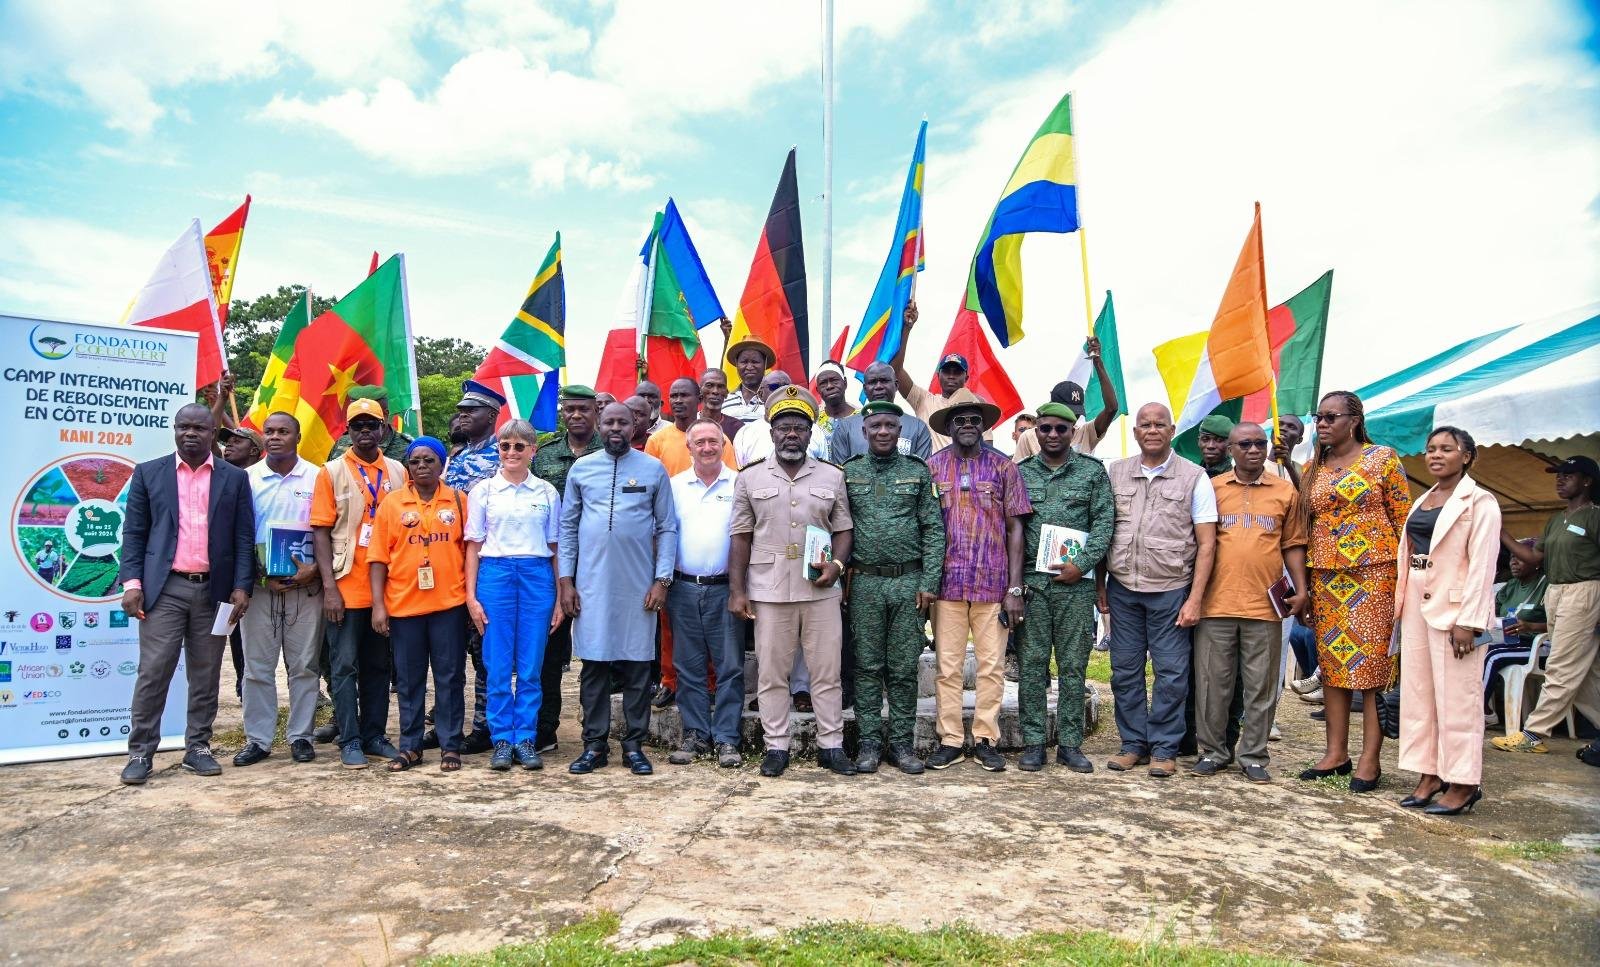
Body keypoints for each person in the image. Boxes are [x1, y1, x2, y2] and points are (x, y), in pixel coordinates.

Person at [116, 404, 255, 785]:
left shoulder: (233, 478)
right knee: (154, 670)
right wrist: (132, 584)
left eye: (199, 428)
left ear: (213, 433)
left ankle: (198, 747)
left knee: (207, 673)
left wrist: (243, 587)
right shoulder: (149, 473)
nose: (190, 434)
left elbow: (244, 537)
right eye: (183, 427)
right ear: (174, 430)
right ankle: (141, 752)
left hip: (215, 591)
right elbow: (134, 534)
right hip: (165, 590)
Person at [728, 385, 856, 777]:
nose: (791, 434)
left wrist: (837, 565)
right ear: (771, 433)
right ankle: (776, 745)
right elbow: (740, 536)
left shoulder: (832, 477)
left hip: (819, 590)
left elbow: (844, 529)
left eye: (799, 427)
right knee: (771, 673)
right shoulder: (749, 479)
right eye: (783, 427)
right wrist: (737, 591)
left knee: (825, 671)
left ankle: (831, 745)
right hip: (768, 589)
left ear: (809, 433)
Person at [1298, 390, 1411, 792]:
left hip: (1375, 574)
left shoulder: (1382, 459)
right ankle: (1336, 753)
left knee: (1370, 669)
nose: (1323, 423)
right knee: (1333, 667)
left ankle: (1370, 758)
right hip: (1326, 576)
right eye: (1319, 417)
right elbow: (1303, 524)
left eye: (1331, 417)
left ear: (1354, 420)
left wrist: (1406, 582)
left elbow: (1403, 522)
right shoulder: (1313, 466)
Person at [559, 402, 677, 776]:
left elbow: (667, 528)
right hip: (590, 587)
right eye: (608, 421)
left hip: (638, 588)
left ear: (633, 427)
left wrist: (662, 580)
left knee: (637, 669)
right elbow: (567, 528)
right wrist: (566, 582)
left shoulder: (652, 468)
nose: (615, 428)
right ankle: (594, 745)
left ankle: (633, 745)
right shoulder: (582, 468)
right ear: (598, 423)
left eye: (622, 422)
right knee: (594, 665)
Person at [1103, 402, 1218, 779]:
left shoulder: (1194, 477)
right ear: (1135, 432)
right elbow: (1103, 531)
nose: (1151, 430)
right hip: (1122, 589)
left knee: (1171, 673)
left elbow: (1207, 543)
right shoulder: (1115, 473)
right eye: (1144, 424)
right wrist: (1099, 586)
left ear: (1171, 431)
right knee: (1124, 671)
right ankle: (1133, 743)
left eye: (1159, 424)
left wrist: (1195, 599)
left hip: (1171, 591)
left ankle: (1165, 748)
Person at [1192, 422, 1309, 783]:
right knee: (1213, 685)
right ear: (1230, 449)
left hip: (1265, 605)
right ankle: (1212, 752)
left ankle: (1254, 754)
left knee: (1261, 686)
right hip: (1216, 603)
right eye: (1245, 444)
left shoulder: (1284, 491)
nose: (1254, 450)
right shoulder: (1211, 489)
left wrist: (1301, 589)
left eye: (1260, 443)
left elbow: (1292, 544)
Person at [924, 388, 1032, 772]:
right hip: (947, 584)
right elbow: (924, 527)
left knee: (992, 666)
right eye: (960, 420)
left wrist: (1015, 588)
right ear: (949, 427)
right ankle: (951, 739)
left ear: (984, 427)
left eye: (974, 420)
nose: (967, 426)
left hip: (993, 585)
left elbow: (1016, 528)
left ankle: (986, 738)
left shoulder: (1005, 468)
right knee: (947, 666)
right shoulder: (933, 467)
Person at [1394, 426, 1500, 814]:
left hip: (1455, 609)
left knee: (1458, 699)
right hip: (1417, 603)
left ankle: (1464, 781)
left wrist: (1469, 621)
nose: (1436, 455)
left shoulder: (1479, 502)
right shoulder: (1423, 499)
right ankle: (1429, 773)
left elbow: (1483, 567)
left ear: (1466, 456)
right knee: (1420, 695)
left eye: (1446, 449)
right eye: (1430, 449)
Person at [843, 400, 944, 774]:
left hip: (908, 583)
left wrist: (929, 581)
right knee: (867, 667)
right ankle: (869, 742)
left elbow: (934, 529)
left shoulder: (918, 473)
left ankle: (901, 743)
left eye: (890, 426)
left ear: (900, 432)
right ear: (865, 431)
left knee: (903, 668)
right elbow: (839, 528)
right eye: (876, 426)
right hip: (865, 583)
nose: (883, 431)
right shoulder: (849, 473)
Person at [1015, 402, 1113, 773]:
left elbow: (1104, 522)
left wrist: (1082, 565)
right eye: (1045, 429)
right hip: (1034, 587)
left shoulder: (1091, 473)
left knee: (1073, 667)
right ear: (1035, 432)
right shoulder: (1020, 473)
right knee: (1032, 666)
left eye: (1061, 428)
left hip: (1075, 588)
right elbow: (1012, 529)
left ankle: (1070, 744)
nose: (1053, 435)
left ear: (1073, 431)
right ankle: (1034, 742)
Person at [311, 398, 406, 770]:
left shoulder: (399, 471)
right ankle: (349, 739)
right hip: (346, 585)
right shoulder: (331, 472)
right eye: (358, 426)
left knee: (379, 666)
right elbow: (320, 532)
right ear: (347, 431)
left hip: (388, 588)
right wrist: (330, 588)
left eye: (372, 425)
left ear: (384, 429)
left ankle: (375, 734)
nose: (365, 431)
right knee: (344, 666)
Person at [465, 419, 563, 771]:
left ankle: (525, 737)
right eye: (505, 446)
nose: (511, 452)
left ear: (532, 450)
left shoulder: (547, 493)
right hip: (496, 575)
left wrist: (558, 596)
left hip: (537, 576)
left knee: (531, 664)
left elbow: (555, 546)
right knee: (497, 664)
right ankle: (501, 739)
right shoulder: (484, 492)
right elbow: (473, 546)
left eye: (519, 446)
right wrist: (471, 597)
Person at [368, 437, 470, 773]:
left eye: (429, 460)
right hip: (404, 607)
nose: (422, 466)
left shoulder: (458, 500)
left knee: (450, 677)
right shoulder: (392, 504)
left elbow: (471, 553)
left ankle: (450, 744)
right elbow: (378, 558)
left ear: (442, 465)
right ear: (408, 466)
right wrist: (379, 606)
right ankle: (410, 746)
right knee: (410, 680)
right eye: (415, 461)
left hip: (449, 605)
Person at [1492, 455, 1600, 754]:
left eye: (1568, 474)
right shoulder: (1556, 520)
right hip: (1556, 592)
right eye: (1557, 475)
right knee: (1585, 673)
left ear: (1587, 481)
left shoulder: (1595, 516)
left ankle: (1534, 733)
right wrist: (1502, 532)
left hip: (1585, 591)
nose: (1559, 479)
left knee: (1560, 665)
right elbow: (1534, 559)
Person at [235, 412, 323, 768]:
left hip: (307, 586)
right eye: (268, 432)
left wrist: (316, 570)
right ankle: (258, 739)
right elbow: (237, 533)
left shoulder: (318, 477)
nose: (274, 437)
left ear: (297, 437)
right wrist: (254, 577)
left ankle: (301, 735)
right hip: (260, 588)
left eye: (283, 431)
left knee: (304, 665)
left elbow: (328, 531)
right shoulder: (246, 479)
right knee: (257, 667)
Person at [666, 419, 745, 769]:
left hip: (726, 587)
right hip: (682, 587)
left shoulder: (740, 483)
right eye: (700, 442)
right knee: (689, 666)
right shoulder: (673, 486)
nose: (708, 447)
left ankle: (727, 738)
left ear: (723, 443)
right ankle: (696, 733)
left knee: (729, 666)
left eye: (714, 441)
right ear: (689, 447)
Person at [530, 384, 602, 754]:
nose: (575, 415)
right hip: (551, 565)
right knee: (549, 649)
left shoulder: (609, 453)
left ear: (596, 413)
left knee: (597, 651)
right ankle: (545, 730)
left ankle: (596, 730)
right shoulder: (544, 455)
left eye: (583, 409)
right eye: (569, 409)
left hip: (598, 565)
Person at [437, 378, 506, 754]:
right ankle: (447, 722)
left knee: (484, 655)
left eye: (470, 411)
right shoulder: (458, 457)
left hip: (485, 568)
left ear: (492, 415)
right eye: (460, 411)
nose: (461, 416)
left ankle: (484, 726)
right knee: (449, 655)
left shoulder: (502, 457)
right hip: (450, 566)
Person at [889, 302, 986, 451]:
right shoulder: (924, 400)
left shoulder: (977, 406)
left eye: (957, 372)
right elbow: (895, 370)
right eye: (947, 371)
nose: (951, 376)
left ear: (966, 378)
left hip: (968, 473)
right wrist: (906, 329)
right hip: (932, 472)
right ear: (938, 376)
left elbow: (988, 450)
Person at [1011, 337, 1120, 461]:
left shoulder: (1085, 433)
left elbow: (1112, 408)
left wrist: (1098, 363)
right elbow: (1016, 477)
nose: (1073, 418)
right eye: (1067, 413)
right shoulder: (1029, 438)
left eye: (1076, 413)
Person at [1482, 540, 1548, 722]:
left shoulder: (1546, 585)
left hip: (1536, 644)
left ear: (1536, 562)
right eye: (1512, 557)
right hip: (1505, 639)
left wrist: (1530, 626)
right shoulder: (1510, 586)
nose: (1514, 562)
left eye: (1520, 558)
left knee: (1493, 656)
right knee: (1471, 647)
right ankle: (1484, 710)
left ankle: (1476, 709)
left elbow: (1561, 623)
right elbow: (1492, 614)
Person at [827, 362, 934, 463]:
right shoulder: (845, 428)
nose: (878, 386)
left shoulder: (918, 427)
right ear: (865, 389)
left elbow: (923, 473)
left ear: (896, 385)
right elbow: (839, 476)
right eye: (873, 382)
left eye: (884, 381)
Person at [732, 371, 828, 468]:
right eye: (774, 387)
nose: (781, 391)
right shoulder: (746, 433)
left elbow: (824, 471)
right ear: (761, 394)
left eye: (786, 386)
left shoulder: (814, 430)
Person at [647, 377, 736, 476]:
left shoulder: (718, 440)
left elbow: (731, 480)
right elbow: (650, 482)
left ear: (700, 399)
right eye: (674, 396)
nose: (678, 401)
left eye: (684, 395)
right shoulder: (655, 441)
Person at [327, 385, 414, 462]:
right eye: (357, 423)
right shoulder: (342, 442)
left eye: (371, 421)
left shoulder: (407, 447)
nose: (365, 429)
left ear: (385, 414)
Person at [722, 337, 776, 425]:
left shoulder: (775, 400)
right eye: (744, 362)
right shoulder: (725, 401)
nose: (749, 367)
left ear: (765, 364)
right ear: (737, 364)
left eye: (755, 362)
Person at [812, 360, 854, 460]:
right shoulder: (812, 420)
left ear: (845, 383)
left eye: (834, 380)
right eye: (823, 383)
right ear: (818, 390)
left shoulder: (862, 418)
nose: (829, 386)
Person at [699, 368, 744, 442]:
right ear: (700, 390)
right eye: (709, 385)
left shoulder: (737, 428)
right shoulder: (689, 424)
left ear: (726, 393)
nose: (715, 391)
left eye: (720, 387)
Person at [1270, 415, 1305, 486]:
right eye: (1279, 424)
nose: (1283, 428)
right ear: (1272, 433)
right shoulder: (1256, 464)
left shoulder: (1303, 471)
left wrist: (1289, 466)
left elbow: (1305, 494)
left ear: (1299, 440)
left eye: (1291, 427)